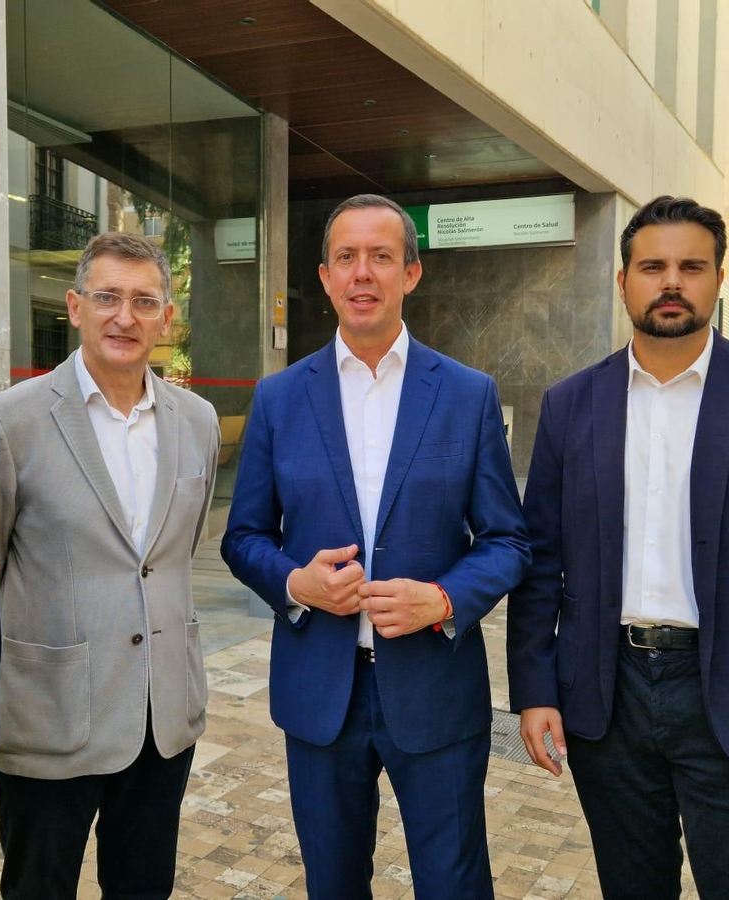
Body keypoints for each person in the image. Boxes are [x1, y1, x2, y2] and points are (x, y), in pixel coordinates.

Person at [507, 196, 729, 899]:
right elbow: (539, 561)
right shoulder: (570, 404)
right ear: (623, 282)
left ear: (717, 278)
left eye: (690, 267)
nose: (670, 282)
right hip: (607, 702)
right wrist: (535, 689)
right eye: (652, 267)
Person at [222, 193, 530, 899]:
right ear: (326, 277)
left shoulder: (466, 394)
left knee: (454, 885)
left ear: (411, 274)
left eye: (382, 256)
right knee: (333, 885)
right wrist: (296, 584)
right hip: (319, 694)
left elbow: (509, 539)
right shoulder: (278, 399)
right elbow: (243, 537)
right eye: (347, 257)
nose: (363, 273)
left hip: (434, 689)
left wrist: (446, 597)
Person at [0, 232, 220, 900]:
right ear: (76, 307)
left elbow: (170, 559)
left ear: (166, 319)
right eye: (107, 298)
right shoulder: (7, 424)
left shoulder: (197, 421)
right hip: (50, 721)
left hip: (162, 720)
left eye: (143, 302)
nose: (124, 317)